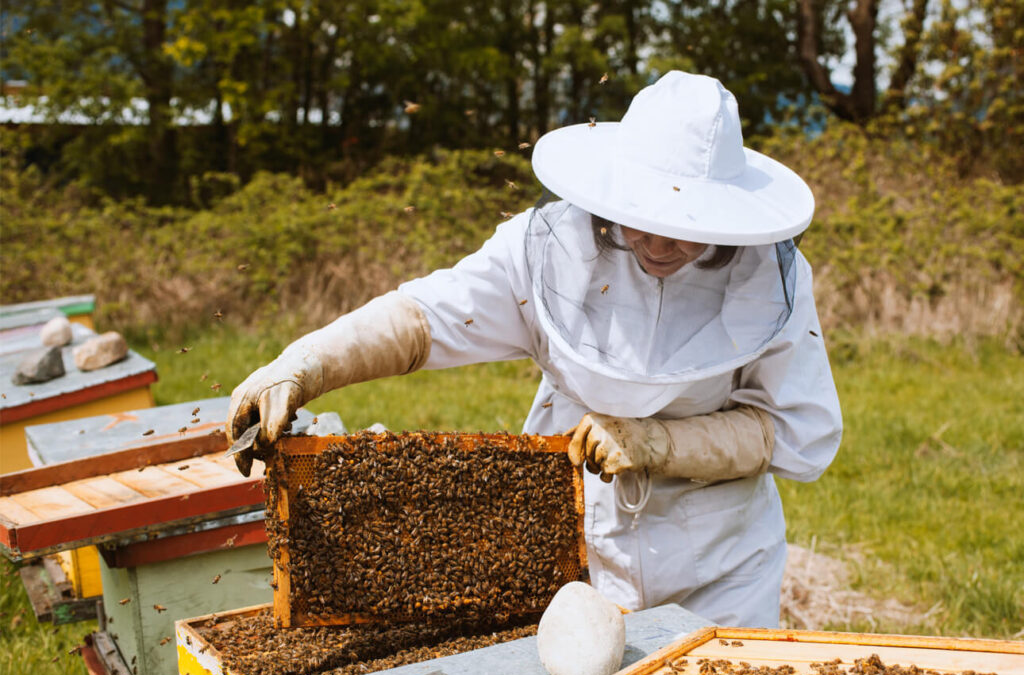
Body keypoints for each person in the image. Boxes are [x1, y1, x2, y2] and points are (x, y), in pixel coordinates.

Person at [227, 71, 842, 628]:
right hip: (573, 544)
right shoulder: (549, 247)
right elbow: (424, 319)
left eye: (685, 226)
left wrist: (660, 443)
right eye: (642, 215)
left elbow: (792, 432)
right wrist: (306, 363)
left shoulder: (772, 280)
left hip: (721, 570)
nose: (657, 242)